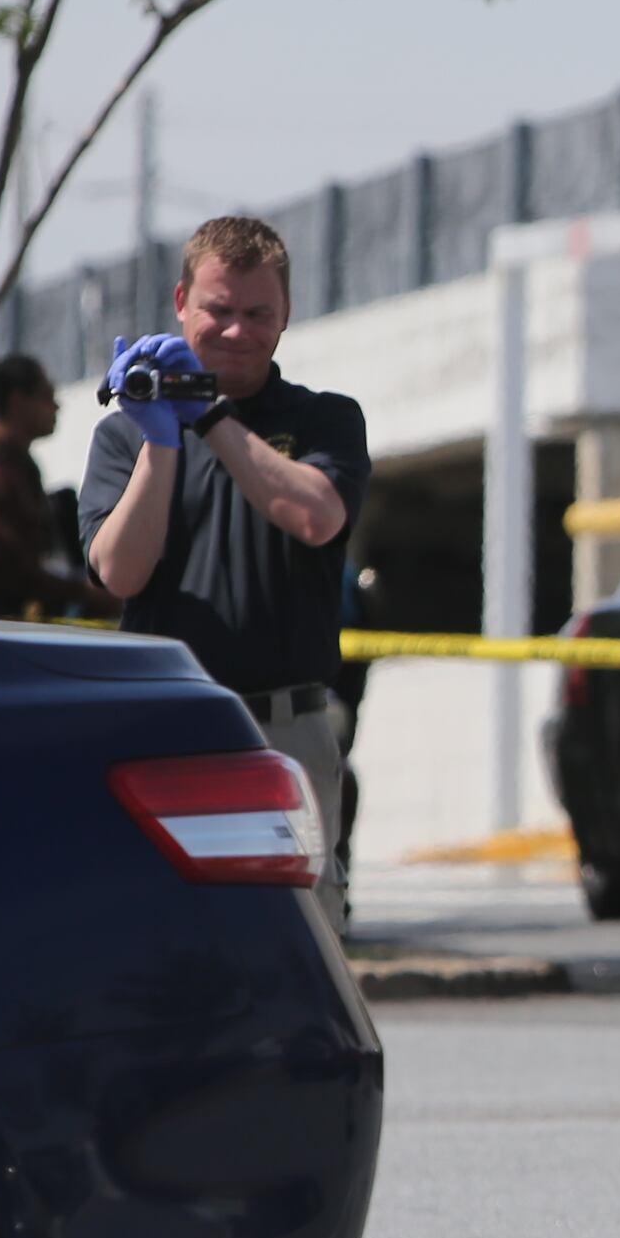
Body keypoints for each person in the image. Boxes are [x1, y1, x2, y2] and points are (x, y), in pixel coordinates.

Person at [81, 215, 370, 932]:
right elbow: (120, 572)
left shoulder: (324, 420)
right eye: (218, 311)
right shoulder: (125, 435)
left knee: (303, 941)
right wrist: (160, 441)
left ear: (286, 318)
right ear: (182, 303)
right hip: (167, 729)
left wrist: (209, 415)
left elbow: (316, 517)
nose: (237, 331)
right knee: (165, 935)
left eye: (257, 314)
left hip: (285, 731)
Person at [0, 355, 119, 620]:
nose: (56, 406)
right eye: (46, 395)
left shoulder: (20, 467)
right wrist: (84, 592)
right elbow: (7, 575)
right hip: (2, 637)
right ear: (18, 401)